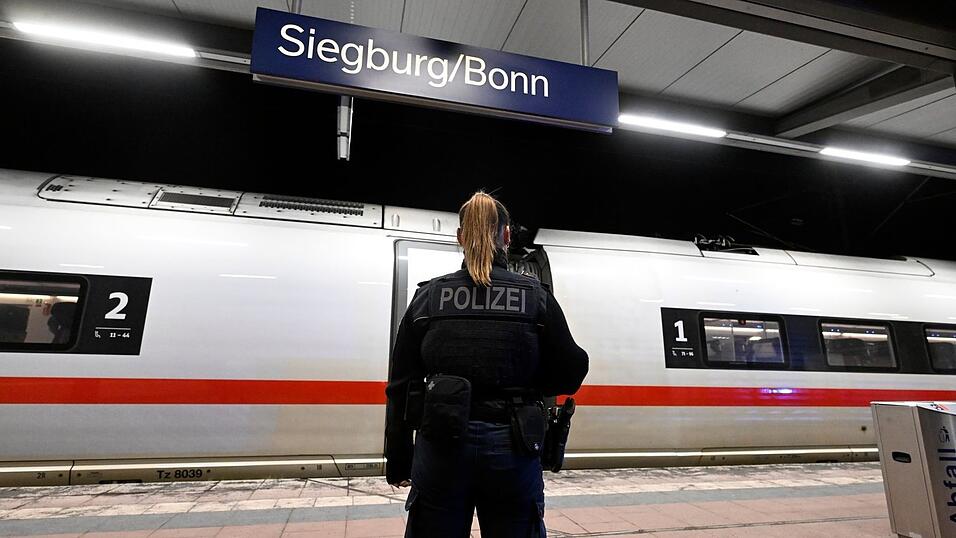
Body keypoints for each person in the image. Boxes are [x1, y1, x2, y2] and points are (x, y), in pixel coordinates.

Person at [385, 192, 589, 537]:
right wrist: (527, 381)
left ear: (460, 237)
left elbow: (401, 384)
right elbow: (571, 371)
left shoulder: (429, 297)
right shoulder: (535, 297)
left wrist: (399, 457)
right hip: (512, 447)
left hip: (441, 447)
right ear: (506, 235)